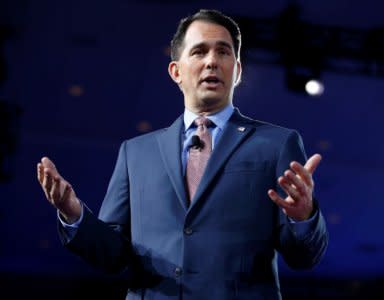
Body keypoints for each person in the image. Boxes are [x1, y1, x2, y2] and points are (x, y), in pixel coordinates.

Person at [37, 9, 328, 300]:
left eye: (223, 52)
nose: (212, 61)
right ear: (176, 71)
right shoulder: (136, 153)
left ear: (237, 70)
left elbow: (303, 257)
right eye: (200, 51)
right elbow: (112, 256)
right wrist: (73, 213)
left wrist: (303, 217)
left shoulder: (277, 143)